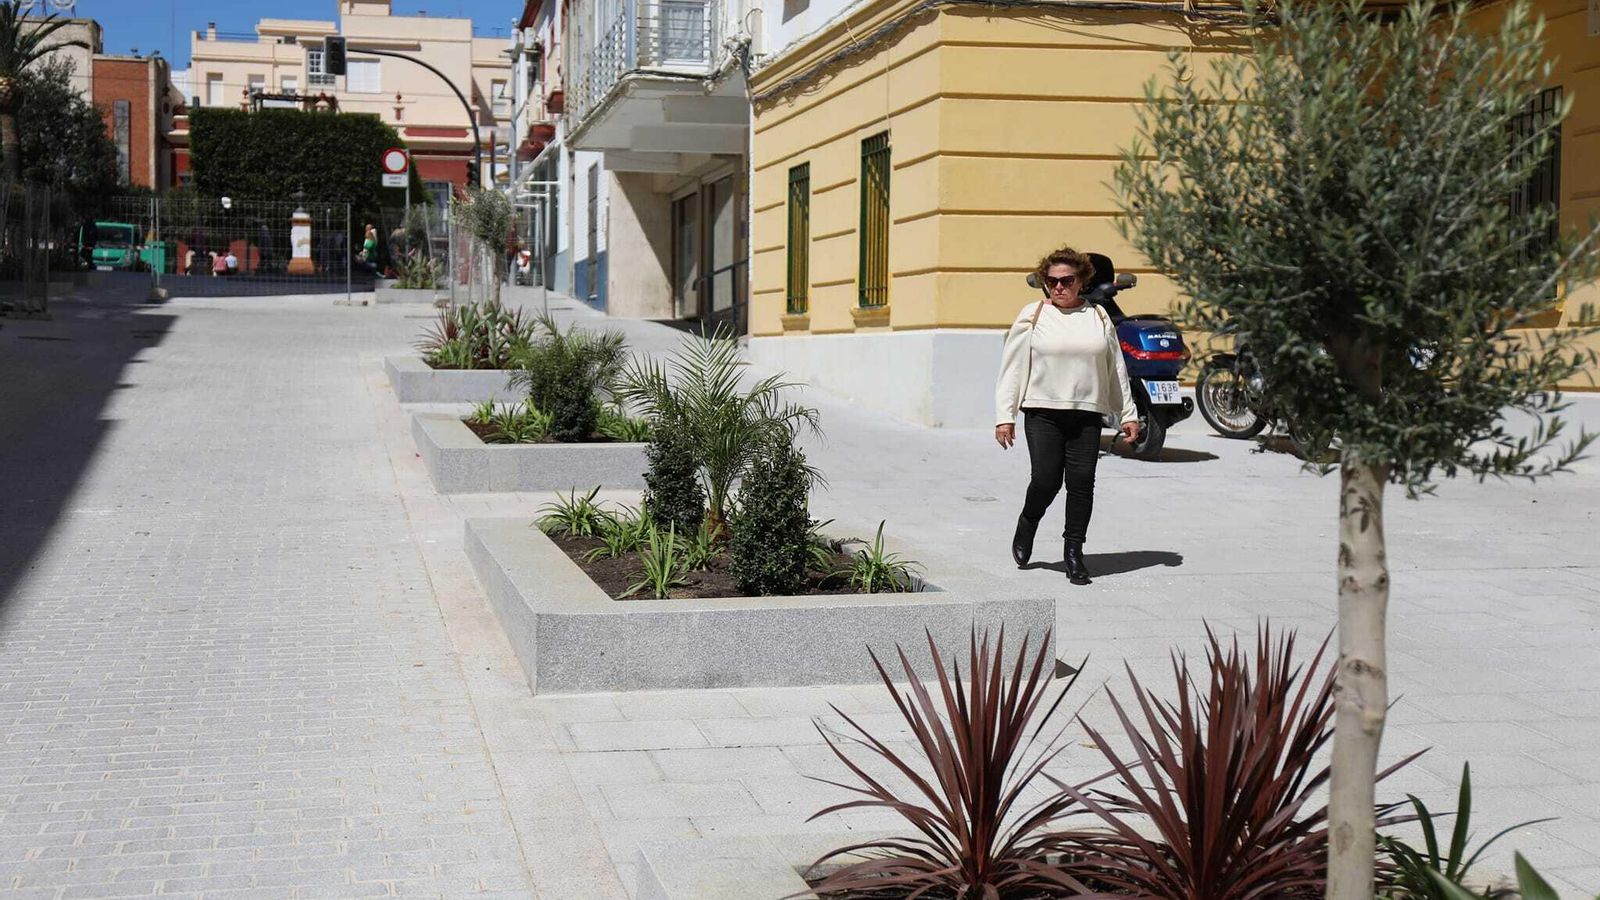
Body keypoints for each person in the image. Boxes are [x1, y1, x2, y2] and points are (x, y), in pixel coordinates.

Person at [994, 245, 1140, 585]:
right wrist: (1005, 416)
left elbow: (1116, 368)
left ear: (1081, 281)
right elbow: (1012, 368)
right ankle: (1028, 521)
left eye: (1067, 280)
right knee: (1046, 480)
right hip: (1042, 412)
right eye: (1052, 281)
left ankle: (1074, 552)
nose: (1059, 287)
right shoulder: (1032, 315)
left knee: (1081, 483)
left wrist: (1128, 414)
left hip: (1086, 413)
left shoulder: (1098, 316)